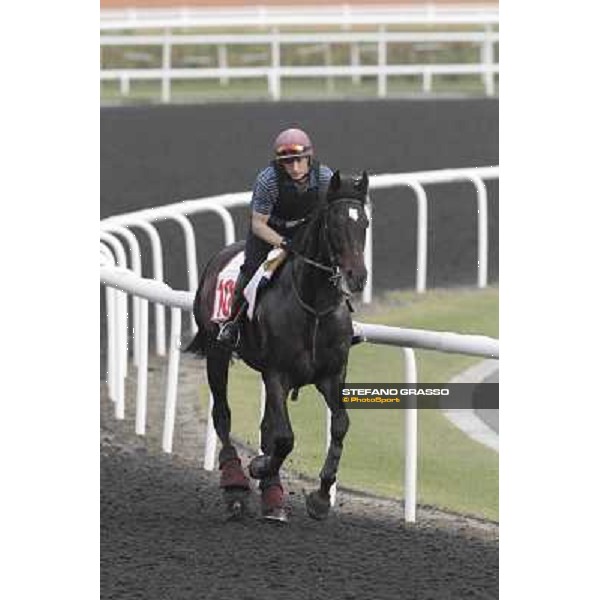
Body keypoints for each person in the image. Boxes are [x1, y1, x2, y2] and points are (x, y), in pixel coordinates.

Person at [217, 127, 334, 348]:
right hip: (268, 232)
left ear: (309, 157)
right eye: (288, 162)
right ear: (280, 162)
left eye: (299, 160)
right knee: (251, 272)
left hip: (305, 231)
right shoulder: (268, 180)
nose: (295, 167)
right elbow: (258, 224)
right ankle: (232, 324)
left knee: (332, 269)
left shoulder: (325, 177)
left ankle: (344, 321)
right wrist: (284, 243)